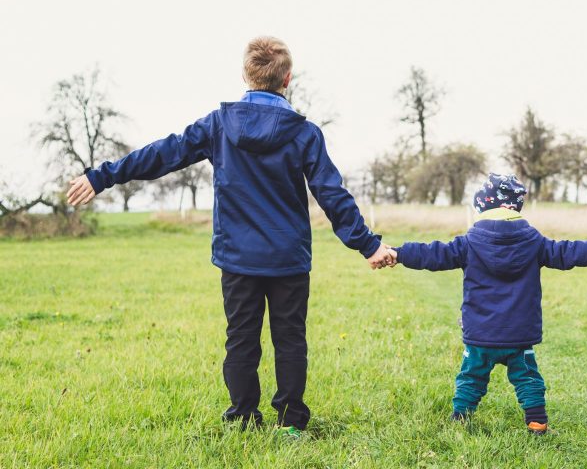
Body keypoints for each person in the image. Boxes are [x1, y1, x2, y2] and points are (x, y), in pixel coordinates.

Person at [66, 36, 393, 439]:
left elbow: (163, 154)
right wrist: (369, 245)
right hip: (288, 258)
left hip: (238, 258)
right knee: (290, 339)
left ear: (245, 75)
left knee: (241, 340)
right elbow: (332, 194)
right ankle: (290, 424)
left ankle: (242, 418)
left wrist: (102, 176)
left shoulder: (219, 125)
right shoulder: (304, 133)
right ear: (287, 78)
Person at [379, 173, 587, 435]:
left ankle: (459, 419)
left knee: (471, 377)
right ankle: (537, 423)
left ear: (481, 207)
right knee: (528, 379)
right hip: (519, 334)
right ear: (516, 208)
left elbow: (433, 254)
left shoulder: (469, 242)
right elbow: (565, 252)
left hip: (480, 334)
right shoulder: (534, 242)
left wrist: (399, 253)